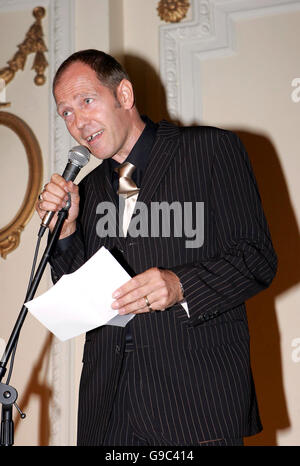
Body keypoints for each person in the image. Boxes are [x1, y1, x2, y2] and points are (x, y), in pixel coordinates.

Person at [36, 49, 277, 446]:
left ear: (124, 95)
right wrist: (67, 229)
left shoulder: (210, 150)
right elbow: (79, 295)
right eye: (66, 113)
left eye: (86, 101)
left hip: (195, 404)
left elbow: (257, 257)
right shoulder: (91, 189)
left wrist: (181, 285)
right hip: (108, 410)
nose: (77, 122)